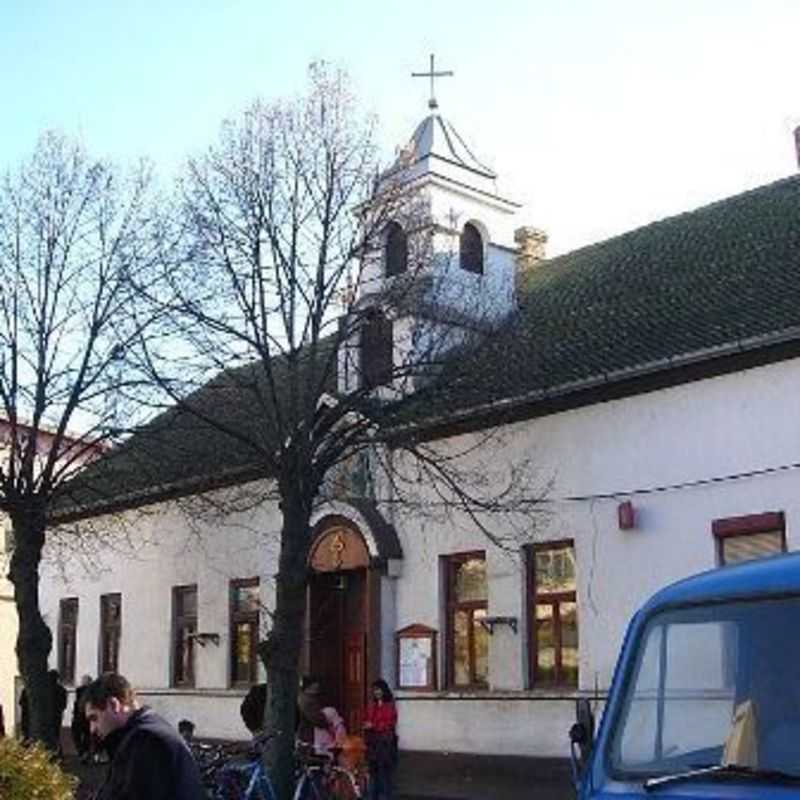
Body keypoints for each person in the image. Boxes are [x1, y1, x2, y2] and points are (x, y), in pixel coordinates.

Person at [83, 672, 205, 800]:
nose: (92, 729)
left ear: (114, 705)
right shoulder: (145, 732)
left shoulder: (146, 740)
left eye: (94, 718)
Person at [363, 679, 398, 800]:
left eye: (378, 690)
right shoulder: (372, 705)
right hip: (373, 743)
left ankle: (385, 796)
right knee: (373, 772)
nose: (376, 692)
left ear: (384, 690)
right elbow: (367, 718)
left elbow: (390, 723)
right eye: (374, 690)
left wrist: (374, 725)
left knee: (384, 773)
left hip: (385, 743)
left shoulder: (390, 705)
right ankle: (373, 796)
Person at [71, 674, 93, 762]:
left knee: (77, 734)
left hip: (80, 716)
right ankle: (84, 752)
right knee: (86, 735)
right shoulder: (91, 691)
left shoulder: (80, 690)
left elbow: (77, 703)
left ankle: (82, 751)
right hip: (86, 716)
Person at [49, 670, 68, 756]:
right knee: (56, 733)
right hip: (57, 714)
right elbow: (64, 704)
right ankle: (58, 752)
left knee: (50, 733)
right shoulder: (62, 690)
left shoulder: (45, 690)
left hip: (49, 714)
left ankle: (55, 752)